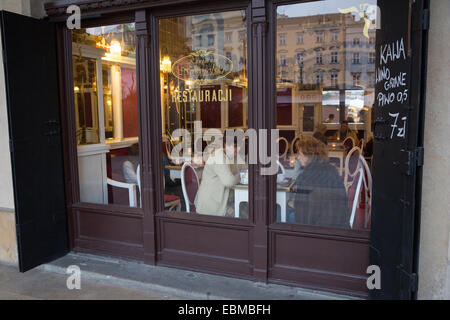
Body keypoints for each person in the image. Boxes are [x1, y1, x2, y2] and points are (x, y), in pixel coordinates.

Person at [287, 136, 350, 228]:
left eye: (300, 154)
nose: (298, 158)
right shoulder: (332, 170)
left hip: (316, 229)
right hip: (338, 224)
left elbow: (299, 206)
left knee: (282, 213)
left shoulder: (307, 176)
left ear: (309, 155)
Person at [194, 140, 241, 216]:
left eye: (239, 146)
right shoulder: (219, 157)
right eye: (235, 146)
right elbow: (228, 181)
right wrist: (240, 177)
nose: (238, 149)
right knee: (243, 212)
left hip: (218, 199)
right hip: (210, 205)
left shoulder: (229, 156)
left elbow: (238, 169)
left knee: (245, 208)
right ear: (226, 145)